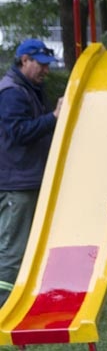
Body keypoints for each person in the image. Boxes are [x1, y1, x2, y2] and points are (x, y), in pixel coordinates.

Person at [0, 38, 63, 306]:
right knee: (12, 249)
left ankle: (21, 300)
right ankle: (3, 306)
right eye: (41, 65)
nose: (46, 71)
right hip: (17, 183)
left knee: (23, 246)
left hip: (27, 179)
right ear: (24, 61)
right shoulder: (13, 92)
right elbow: (16, 133)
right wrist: (53, 118)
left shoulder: (30, 88)